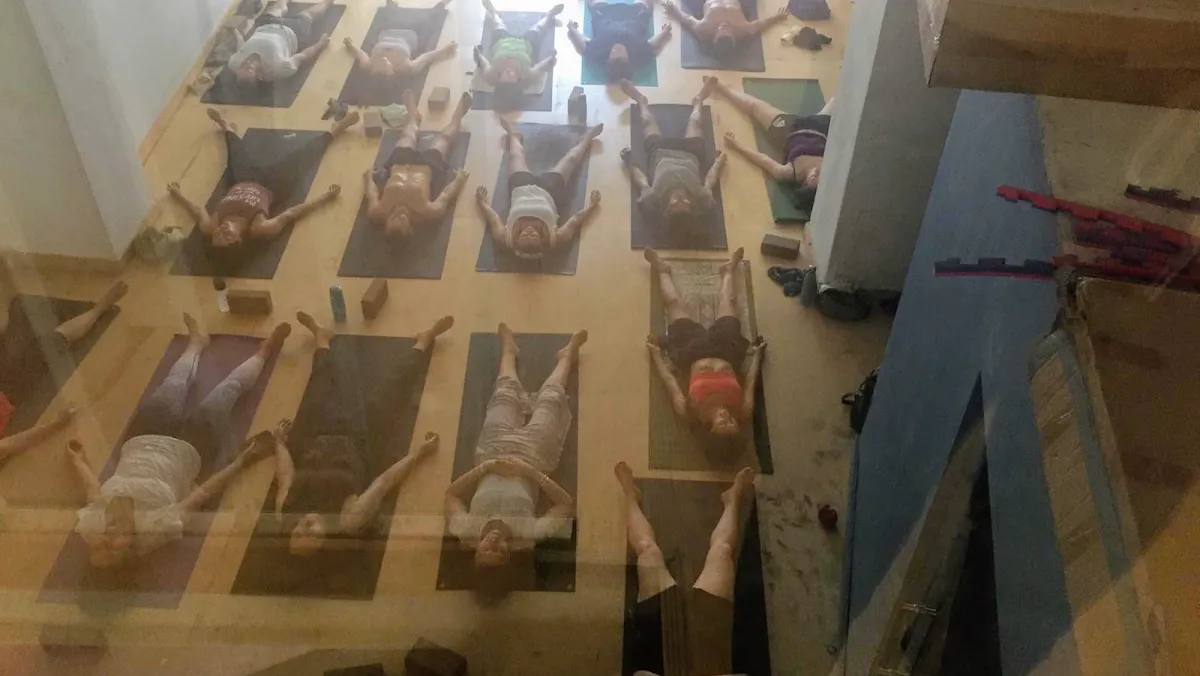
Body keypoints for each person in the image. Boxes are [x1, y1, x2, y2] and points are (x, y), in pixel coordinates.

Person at [69, 314, 288, 569]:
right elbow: (203, 494)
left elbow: (92, 489)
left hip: (142, 437)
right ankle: (265, 351)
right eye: (113, 551)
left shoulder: (93, 524)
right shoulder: (155, 531)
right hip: (190, 449)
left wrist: (77, 461)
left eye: (98, 547)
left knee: (173, 384)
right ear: (131, 550)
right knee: (227, 391)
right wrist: (241, 461)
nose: (106, 541)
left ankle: (196, 343)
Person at [269, 312, 452, 557]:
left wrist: (279, 443)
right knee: (393, 390)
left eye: (297, 534)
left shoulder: (285, 513)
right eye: (312, 535)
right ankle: (425, 340)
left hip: (317, 435)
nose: (304, 528)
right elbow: (383, 482)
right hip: (360, 438)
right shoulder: (349, 520)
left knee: (318, 388)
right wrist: (419, 452)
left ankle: (321, 337)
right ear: (327, 540)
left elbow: (285, 476)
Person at [444, 324, 586, 598]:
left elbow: (451, 495)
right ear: (509, 555)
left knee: (504, 393)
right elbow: (565, 505)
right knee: (551, 399)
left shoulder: (466, 529)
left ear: (476, 551)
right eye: (499, 552)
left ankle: (509, 351)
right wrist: (530, 472)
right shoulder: (528, 533)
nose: (494, 543)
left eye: (487, 550)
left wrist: (486, 467)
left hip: (493, 451)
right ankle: (567, 355)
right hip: (534, 455)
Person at [166, 109, 356, 270]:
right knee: (304, 157)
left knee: (235, 153)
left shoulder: (210, 226)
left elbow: (197, 210)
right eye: (227, 234)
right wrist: (326, 196)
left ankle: (226, 126)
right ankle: (336, 129)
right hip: (272, 184)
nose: (222, 230)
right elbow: (290, 214)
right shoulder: (260, 228)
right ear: (239, 240)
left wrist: (177, 194)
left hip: (241, 179)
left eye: (218, 235)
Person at [616, 461, 755, 676]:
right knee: (722, 550)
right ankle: (732, 499)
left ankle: (630, 494)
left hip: (659, 644)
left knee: (646, 549)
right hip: (709, 646)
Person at [644, 247, 766, 441]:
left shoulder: (689, 412)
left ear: (711, 431)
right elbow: (751, 379)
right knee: (730, 301)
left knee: (673, 303)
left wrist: (656, 354)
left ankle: (662, 269)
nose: (727, 417)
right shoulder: (744, 410)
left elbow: (669, 381)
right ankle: (729, 269)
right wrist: (758, 354)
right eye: (732, 422)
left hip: (691, 351)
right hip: (727, 349)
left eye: (723, 423)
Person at [0, 281, 126, 440]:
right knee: (50, 342)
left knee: (24, 319)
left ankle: (95, 310)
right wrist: (56, 423)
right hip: (10, 391)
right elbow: (11, 443)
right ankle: (99, 308)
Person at [475, 117, 604, 260]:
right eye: (534, 235)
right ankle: (586, 139)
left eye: (525, 234)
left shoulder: (504, 237)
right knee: (571, 160)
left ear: (517, 240)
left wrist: (482, 202)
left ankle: (513, 135)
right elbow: (575, 221)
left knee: (516, 155)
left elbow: (493, 219)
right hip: (550, 191)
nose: (529, 231)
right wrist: (592, 206)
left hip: (521, 188)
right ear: (541, 241)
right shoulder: (556, 238)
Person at [710, 76, 835, 211]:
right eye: (819, 177)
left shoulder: (788, 173)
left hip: (789, 129)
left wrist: (736, 145)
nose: (816, 172)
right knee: (838, 100)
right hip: (820, 127)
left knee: (754, 106)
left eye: (814, 178)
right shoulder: (831, 171)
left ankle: (722, 88)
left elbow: (763, 160)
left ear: (805, 184)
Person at [364, 90, 473, 239]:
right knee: (445, 138)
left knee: (408, 134)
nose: (398, 212)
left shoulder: (377, 211)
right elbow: (446, 195)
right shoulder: (430, 211)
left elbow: (372, 193)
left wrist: (368, 178)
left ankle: (413, 116)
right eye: (402, 218)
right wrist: (459, 180)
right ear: (410, 228)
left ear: (386, 223)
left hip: (399, 163)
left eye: (392, 217)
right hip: (428, 166)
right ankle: (458, 116)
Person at [619, 79, 726, 227]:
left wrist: (629, 162)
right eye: (686, 202)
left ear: (668, 208)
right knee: (695, 121)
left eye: (676, 201)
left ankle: (641, 100)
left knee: (647, 122)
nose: (682, 197)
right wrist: (719, 162)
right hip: (690, 151)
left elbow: (641, 180)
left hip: (660, 151)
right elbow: (710, 180)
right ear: (691, 206)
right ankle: (699, 100)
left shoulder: (653, 197)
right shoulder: (701, 197)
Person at [343, 0, 458, 83]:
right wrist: (446, 49)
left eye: (379, 70)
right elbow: (426, 57)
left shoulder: (368, 65)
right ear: (391, 73)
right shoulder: (408, 68)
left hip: (388, 30)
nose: (384, 61)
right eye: (385, 69)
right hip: (412, 32)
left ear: (373, 72)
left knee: (388, 16)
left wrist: (350, 45)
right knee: (428, 20)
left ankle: (391, 5)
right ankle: (441, 4)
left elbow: (361, 54)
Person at [474, 0, 561, 109]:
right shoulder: (526, 74)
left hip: (502, 43)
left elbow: (484, 64)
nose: (510, 71)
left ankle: (493, 12)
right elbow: (541, 67)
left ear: (499, 79)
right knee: (537, 29)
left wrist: (478, 55)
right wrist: (551, 60)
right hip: (525, 45)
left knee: (499, 26)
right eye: (512, 75)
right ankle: (549, 15)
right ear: (518, 80)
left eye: (506, 74)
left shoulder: (492, 74)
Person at [229, 0, 336, 87]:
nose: (247, 62)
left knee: (279, 7)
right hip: (293, 33)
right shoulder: (278, 69)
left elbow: (241, 48)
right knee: (309, 14)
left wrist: (237, 33)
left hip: (265, 25)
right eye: (250, 68)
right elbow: (302, 56)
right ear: (260, 76)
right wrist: (320, 44)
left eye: (242, 66)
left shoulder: (234, 63)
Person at [566, 0, 671, 83]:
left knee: (594, 3)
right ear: (628, 59)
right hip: (634, 17)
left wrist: (572, 29)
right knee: (644, 3)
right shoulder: (639, 54)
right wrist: (665, 32)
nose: (617, 49)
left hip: (605, 15)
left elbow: (582, 45)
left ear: (608, 60)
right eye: (621, 54)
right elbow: (653, 44)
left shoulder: (598, 53)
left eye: (614, 53)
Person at [663, 0, 789, 59]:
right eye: (728, 31)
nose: (724, 27)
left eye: (721, 31)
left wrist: (673, 9)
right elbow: (762, 23)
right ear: (735, 38)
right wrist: (778, 16)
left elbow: (687, 19)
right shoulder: (745, 29)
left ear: (713, 39)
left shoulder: (702, 28)